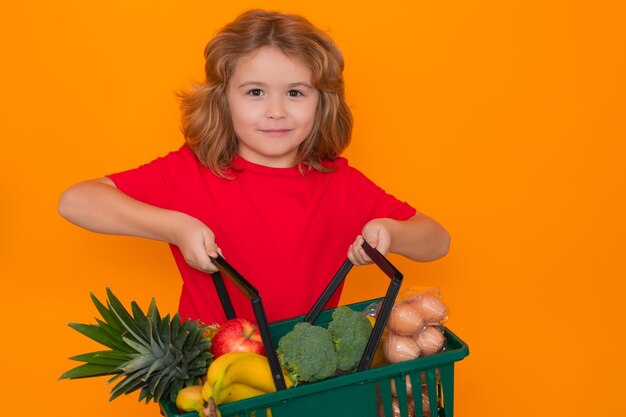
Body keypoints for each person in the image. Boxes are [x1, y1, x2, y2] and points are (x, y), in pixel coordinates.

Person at [58, 9, 450, 326]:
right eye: (255, 92)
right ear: (224, 100)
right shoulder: (193, 171)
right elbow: (76, 201)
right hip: (211, 378)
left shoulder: (340, 183)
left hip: (310, 383)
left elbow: (437, 241)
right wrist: (175, 227)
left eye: (295, 92)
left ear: (321, 103)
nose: (276, 111)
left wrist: (390, 232)